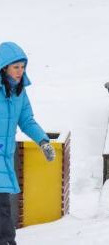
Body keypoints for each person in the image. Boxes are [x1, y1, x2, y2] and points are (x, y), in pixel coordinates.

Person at [0, 42, 55, 245]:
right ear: (4, 67)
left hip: (5, 158)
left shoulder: (19, 93)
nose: (20, 71)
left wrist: (43, 141)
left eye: (22, 67)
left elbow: (27, 121)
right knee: (2, 209)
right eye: (15, 67)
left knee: (3, 208)